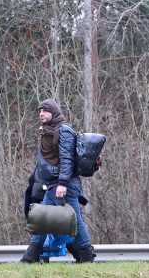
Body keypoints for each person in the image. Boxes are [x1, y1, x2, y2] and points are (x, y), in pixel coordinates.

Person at [20, 99, 96, 263]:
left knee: (69, 220)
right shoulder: (50, 131)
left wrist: (62, 184)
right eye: (40, 111)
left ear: (53, 113)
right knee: (42, 218)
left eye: (45, 111)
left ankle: (86, 256)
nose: (41, 114)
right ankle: (31, 257)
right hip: (55, 184)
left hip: (64, 184)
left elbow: (66, 159)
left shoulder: (64, 131)